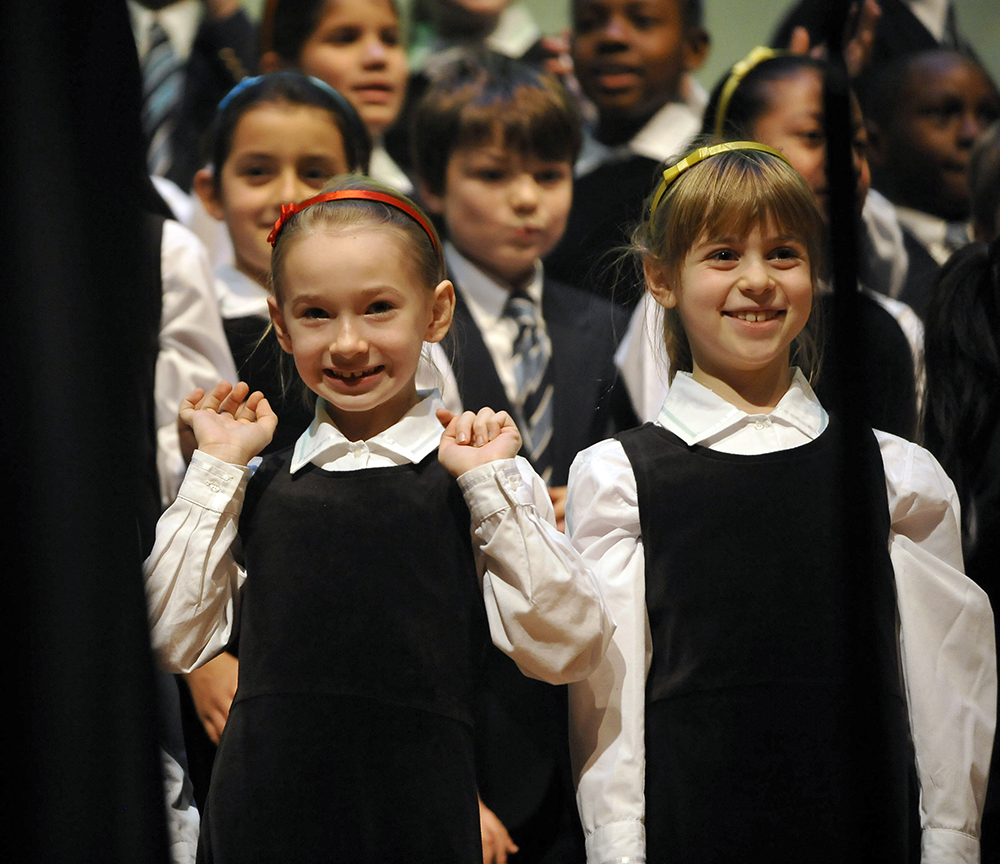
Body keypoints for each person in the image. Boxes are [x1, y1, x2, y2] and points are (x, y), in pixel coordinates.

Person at [143, 175, 613, 863]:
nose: (348, 343)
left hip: (418, 821)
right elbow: (166, 639)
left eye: (378, 308)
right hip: (260, 826)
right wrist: (215, 468)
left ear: (437, 311)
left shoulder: (477, 477)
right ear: (280, 323)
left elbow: (569, 646)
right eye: (316, 314)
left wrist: (491, 487)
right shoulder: (256, 482)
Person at [566, 143, 995, 863]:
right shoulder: (619, 477)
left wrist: (951, 844)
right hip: (693, 828)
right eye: (724, 255)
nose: (759, 280)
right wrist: (617, 849)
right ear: (660, 277)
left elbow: (948, 680)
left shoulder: (895, 474)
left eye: (784, 254)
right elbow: (609, 698)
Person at [410, 51, 634, 864]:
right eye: (494, 174)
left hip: (588, 694)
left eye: (549, 173)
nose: (528, 198)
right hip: (465, 686)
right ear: (432, 185)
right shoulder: (407, 327)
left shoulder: (611, 323)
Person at [617, 48, 922, 438]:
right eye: (814, 136)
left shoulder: (893, 324)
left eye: (859, 144)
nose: (847, 162)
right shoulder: (684, 302)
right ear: (734, 147)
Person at [544, 0, 710, 305]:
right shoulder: (552, 163)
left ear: (693, 48)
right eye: (589, 23)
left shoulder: (707, 177)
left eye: (643, 21)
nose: (612, 37)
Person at [859, 48, 1000, 315]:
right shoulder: (866, 253)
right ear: (875, 143)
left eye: (988, 115)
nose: (973, 133)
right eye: (943, 114)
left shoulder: (992, 236)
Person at [259, 0, 413, 193]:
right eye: (345, 39)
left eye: (390, 39)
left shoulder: (424, 193)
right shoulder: (263, 200)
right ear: (279, 70)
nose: (378, 57)